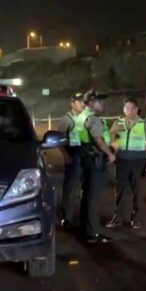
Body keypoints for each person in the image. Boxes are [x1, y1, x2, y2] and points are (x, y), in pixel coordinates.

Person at [106, 98, 146, 229]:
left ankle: (136, 218)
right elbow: (113, 142)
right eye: (127, 108)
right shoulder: (118, 123)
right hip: (122, 161)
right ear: (123, 109)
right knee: (120, 190)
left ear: (137, 109)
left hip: (138, 162)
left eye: (133, 108)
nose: (130, 111)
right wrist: (113, 134)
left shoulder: (144, 124)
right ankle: (118, 218)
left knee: (137, 191)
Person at [77, 90, 116, 243]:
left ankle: (85, 229)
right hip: (94, 160)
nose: (103, 104)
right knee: (93, 198)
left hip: (85, 158)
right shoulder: (92, 119)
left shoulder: (81, 116)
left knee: (87, 196)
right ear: (91, 103)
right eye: (100, 101)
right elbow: (98, 140)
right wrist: (110, 153)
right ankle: (93, 233)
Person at [56, 92, 86, 227]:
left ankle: (85, 216)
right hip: (73, 156)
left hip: (86, 155)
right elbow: (59, 140)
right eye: (80, 102)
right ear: (72, 104)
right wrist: (66, 156)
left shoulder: (87, 118)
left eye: (84, 102)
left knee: (87, 187)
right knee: (70, 188)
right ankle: (66, 217)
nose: (82, 104)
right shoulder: (66, 120)